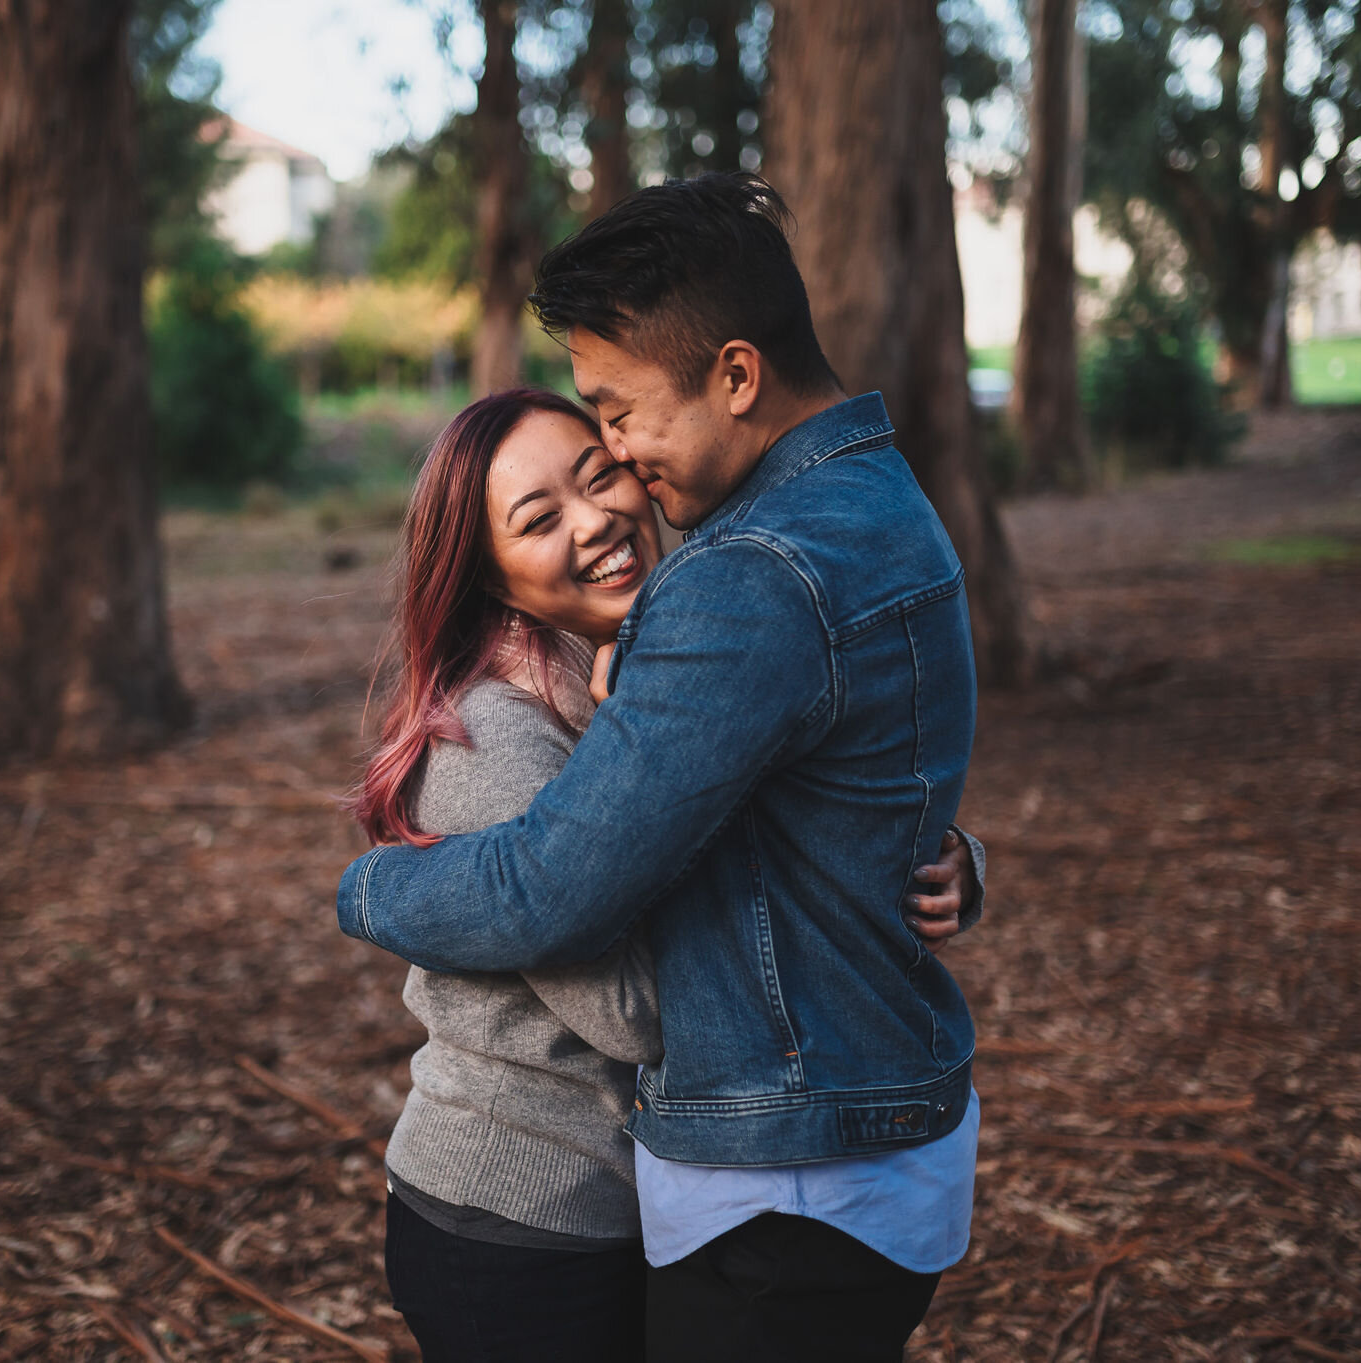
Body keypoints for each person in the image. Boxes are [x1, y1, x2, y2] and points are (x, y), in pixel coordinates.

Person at [338, 173, 989, 1362]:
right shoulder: (875, 502)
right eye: (536, 515)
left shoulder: (742, 578)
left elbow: (551, 892)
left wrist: (371, 890)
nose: (620, 466)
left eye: (615, 422)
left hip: (790, 1180)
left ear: (735, 377)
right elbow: (832, 773)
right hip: (642, 1191)